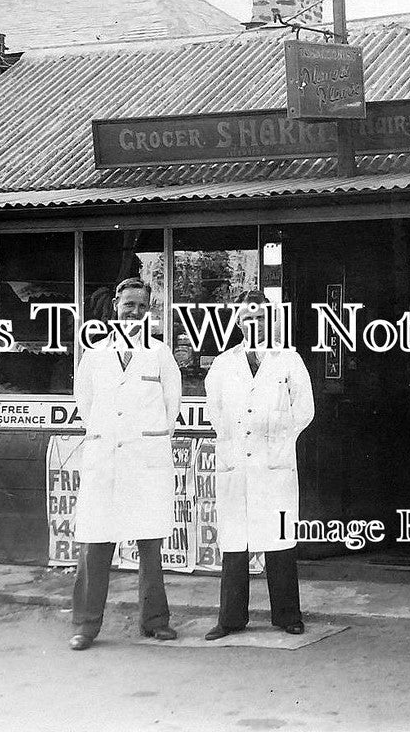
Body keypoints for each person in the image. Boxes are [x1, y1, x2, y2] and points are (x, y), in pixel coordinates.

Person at [68, 277, 183, 651]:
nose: (134, 312)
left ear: (149, 311)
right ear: (115, 307)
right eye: (128, 305)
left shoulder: (160, 354)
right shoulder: (95, 354)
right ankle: (85, 625)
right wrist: (109, 435)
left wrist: (145, 438)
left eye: (141, 306)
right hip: (106, 460)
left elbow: (171, 406)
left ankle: (155, 621)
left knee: (150, 543)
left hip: (144, 461)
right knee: (96, 544)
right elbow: (85, 406)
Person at [203, 289, 315, 639]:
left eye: (262, 318)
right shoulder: (223, 364)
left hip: (274, 461)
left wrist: (278, 437)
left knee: (279, 538)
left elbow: (305, 409)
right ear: (238, 321)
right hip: (236, 461)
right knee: (235, 542)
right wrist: (233, 438)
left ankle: (287, 616)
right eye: (248, 318)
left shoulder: (289, 360)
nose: (255, 324)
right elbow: (214, 410)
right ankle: (230, 619)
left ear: (272, 322)